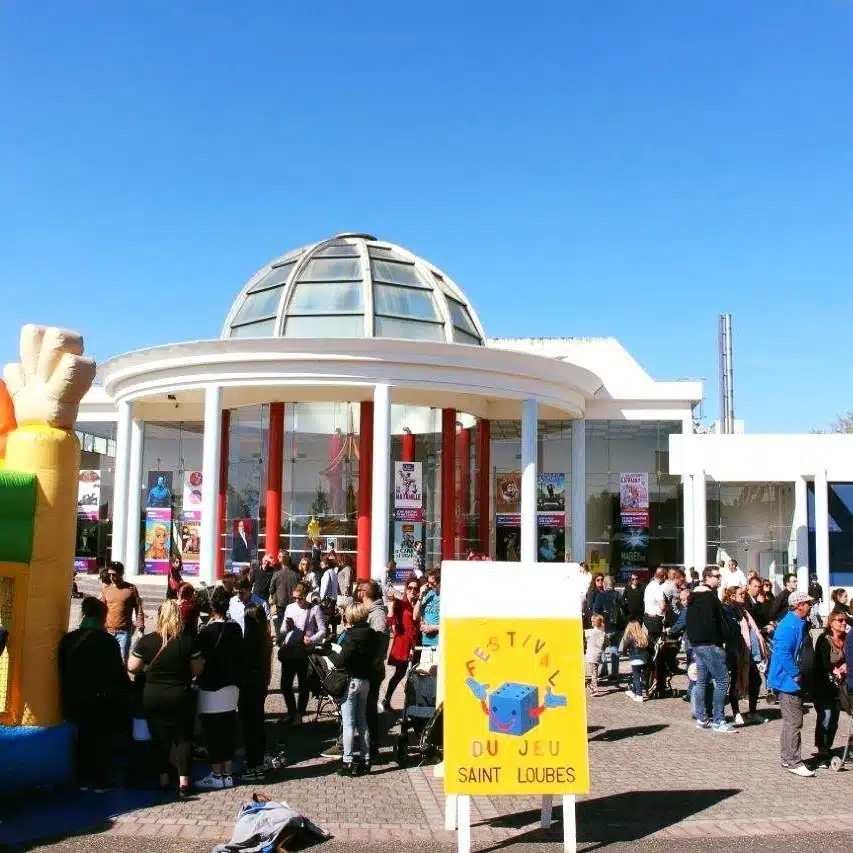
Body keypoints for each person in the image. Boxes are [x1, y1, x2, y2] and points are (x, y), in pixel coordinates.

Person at [128, 600, 203, 797]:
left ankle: (163, 780)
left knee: (160, 739)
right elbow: (196, 670)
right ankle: (184, 782)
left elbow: (132, 666)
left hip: (153, 696)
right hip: (180, 695)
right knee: (183, 739)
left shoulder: (147, 641)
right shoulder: (187, 641)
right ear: (178, 617)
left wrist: (147, 668)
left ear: (160, 617)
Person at [58, 597, 131, 790]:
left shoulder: (69, 639)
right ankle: (101, 780)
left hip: (75, 697)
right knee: (101, 738)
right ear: (102, 616)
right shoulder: (107, 641)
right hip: (101, 698)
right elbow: (118, 673)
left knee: (82, 738)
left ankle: (82, 779)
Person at [195, 586, 244, 790]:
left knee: (213, 734)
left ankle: (217, 774)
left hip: (211, 687)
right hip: (232, 687)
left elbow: (200, 662)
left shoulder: (206, 632)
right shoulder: (236, 629)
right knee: (227, 730)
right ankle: (228, 772)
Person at [767, 590, 816, 777]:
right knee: (794, 721)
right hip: (786, 680)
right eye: (807, 604)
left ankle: (787, 758)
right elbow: (782, 652)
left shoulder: (798, 623)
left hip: (789, 680)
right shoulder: (789, 625)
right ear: (798, 606)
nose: (810, 606)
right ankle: (794, 761)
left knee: (790, 722)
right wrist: (795, 674)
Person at [327, 602, 379, 776]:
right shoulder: (372, 634)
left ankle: (348, 761)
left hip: (351, 681)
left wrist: (328, 651)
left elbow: (340, 660)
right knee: (362, 722)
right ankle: (365, 758)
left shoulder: (350, 635)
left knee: (348, 724)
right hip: (365, 681)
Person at [686, 566, 736, 733]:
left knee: (701, 681)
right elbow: (715, 622)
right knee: (722, 681)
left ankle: (701, 717)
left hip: (697, 644)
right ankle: (718, 720)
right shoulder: (709, 598)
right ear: (707, 578)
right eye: (716, 576)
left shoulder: (693, 596)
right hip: (709, 644)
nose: (719, 579)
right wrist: (721, 640)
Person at [279, 583, 327, 725]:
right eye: (294, 598)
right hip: (289, 650)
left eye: (299, 598)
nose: (296, 601)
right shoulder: (289, 608)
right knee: (285, 685)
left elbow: (323, 630)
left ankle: (299, 714)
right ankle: (291, 712)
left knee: (303, 685)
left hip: (304, 652)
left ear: (306, 596)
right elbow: (282, 630)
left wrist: (311, 640)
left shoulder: (314, 609)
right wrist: (286, 627)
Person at [722, 586, 766, 726]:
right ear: (732, 596)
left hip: (750, 653)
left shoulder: (744, 611)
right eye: (741, 594)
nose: (743, 596)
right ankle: (736, 713)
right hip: (737, 651)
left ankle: (753, 712)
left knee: (756, 681)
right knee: (735, 682)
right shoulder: (728, 610)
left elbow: (755, 626)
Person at [240, 603, 274, 782]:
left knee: (249, 726)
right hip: (260, 683)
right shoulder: (265, 640)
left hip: (248, 685)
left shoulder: (247, 642)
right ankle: (259, 762)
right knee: (258, 724)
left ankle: (253, 766)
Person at [357, 579, 390, 764]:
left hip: (372, 669)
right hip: (369, 667)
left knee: (369, 709)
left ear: (364, 593)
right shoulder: (371, 612)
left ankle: (372, 746)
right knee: (365, 708)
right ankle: (369, 744)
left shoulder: (377, 615)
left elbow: (378, 643)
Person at [813, 609, 847, 766]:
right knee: (825, 717)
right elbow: (821, 663)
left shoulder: (847, 639)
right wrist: (833, 670)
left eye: (845, 620)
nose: (843, 623)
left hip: (841, 685)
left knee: (835, 719)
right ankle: (822, 749)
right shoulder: (824, 639)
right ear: (831, 622)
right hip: (824, 684)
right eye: (840, 620)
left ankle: (828, 747)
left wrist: (845, 666)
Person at [383, 576, 420, 711]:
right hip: (402, 643)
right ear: (406, 588)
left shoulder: (419, 603)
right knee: (400, 673)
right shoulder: (400, 603)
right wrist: (390, 604)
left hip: (416, 643)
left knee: (414, 675)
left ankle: (412, 704)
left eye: (415, 588)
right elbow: (390, 619)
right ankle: (386, 699)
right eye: (410, 588)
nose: (413, 591)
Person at [100, 561, 145, 663]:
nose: (111, 577)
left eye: (114, 575)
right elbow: (101, 609)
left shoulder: (131, 589)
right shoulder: (106, 590)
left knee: (122, 661)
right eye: (110, 574)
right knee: (107, 661)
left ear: (121, 574)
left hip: (123, 633)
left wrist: (140, 627)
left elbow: (139, 609)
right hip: (108, 632)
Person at [591, 575, 622, 682]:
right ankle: (614, 674)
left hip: (604, 627)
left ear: (604, 584)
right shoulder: (618, 595)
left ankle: (604, 670)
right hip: (617, 626)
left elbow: (595, 611)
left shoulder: (601, 595)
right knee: (615, 649)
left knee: (602, 649)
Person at [270, 556, 303, 641]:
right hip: (293, 602)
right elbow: (300, 589)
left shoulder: (277, 574)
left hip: (280, 603)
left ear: (282, 562)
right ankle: (291, 639)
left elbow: (271, 590)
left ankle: (281, 641)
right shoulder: (297, 575)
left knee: (281, 622)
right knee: (294, 622)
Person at [619, 620, 649, 702]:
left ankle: (639, 695)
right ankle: (633, 691)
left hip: (634, 660)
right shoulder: (643, 635)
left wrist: (624, 653)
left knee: (636, 677)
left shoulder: (629, 636)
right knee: (637, 676)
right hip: (643, 659)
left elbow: (625, 646)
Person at [414, 569, 441, 648]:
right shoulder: (428, 594)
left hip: (440, 642)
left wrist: (433, 628)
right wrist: (420, 596)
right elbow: (415, 616)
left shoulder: (447, 596)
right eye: (428, 583)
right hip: (426, 642)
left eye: (432, 583)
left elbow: (452, 624)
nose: (429, 585)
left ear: (440, 582)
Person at [643, 567, 667, 648]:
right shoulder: (658, 587)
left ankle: (650, 659)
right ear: (663, 576)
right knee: (657, 644)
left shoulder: (649, 585)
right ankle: (654, 660)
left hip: (648, 617)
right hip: (655, 619)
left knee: (651, 642)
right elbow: (662, 605)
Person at [585, 614, 606, 697]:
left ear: (593, 623)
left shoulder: (590, 632)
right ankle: (592, 686)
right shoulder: (603, 632)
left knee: (593, 673)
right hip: (598, 654)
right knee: (595, 671)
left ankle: (595, 689)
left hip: (591, 655)